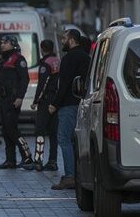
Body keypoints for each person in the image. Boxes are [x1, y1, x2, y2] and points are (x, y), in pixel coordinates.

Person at [49, 29, 90, 190]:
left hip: (68, 104)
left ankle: (69, 176)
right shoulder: (86, 57)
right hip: (81, 102)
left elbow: (64, 83)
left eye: (64, 38)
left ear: (72, 40)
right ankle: (76, 174)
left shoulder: (68, 58)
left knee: (64, 139)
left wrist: (55, 103)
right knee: (74, 140)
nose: (62, 41)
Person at [0, 35, 33, 169]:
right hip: (4, 99)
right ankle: (10, 160)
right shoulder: (4, 60)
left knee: (12, 129)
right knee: (6, 130)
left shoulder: (18, 59)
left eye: (5, 42)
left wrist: (20, 97)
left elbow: (24, 79)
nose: (2, 45)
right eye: (1, 42)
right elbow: (0, 77)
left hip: (13, 99)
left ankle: (27, 157)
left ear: (13, 44)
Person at [23, 39, 59, 172]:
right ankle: (53, 161)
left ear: (42, 48)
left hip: (46, 100)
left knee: (40, 130)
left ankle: (38, 160)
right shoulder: (57, 60)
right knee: (53, 132)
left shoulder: (45, 64)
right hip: (55, 100)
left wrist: (35, 101)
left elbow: (43, 84)